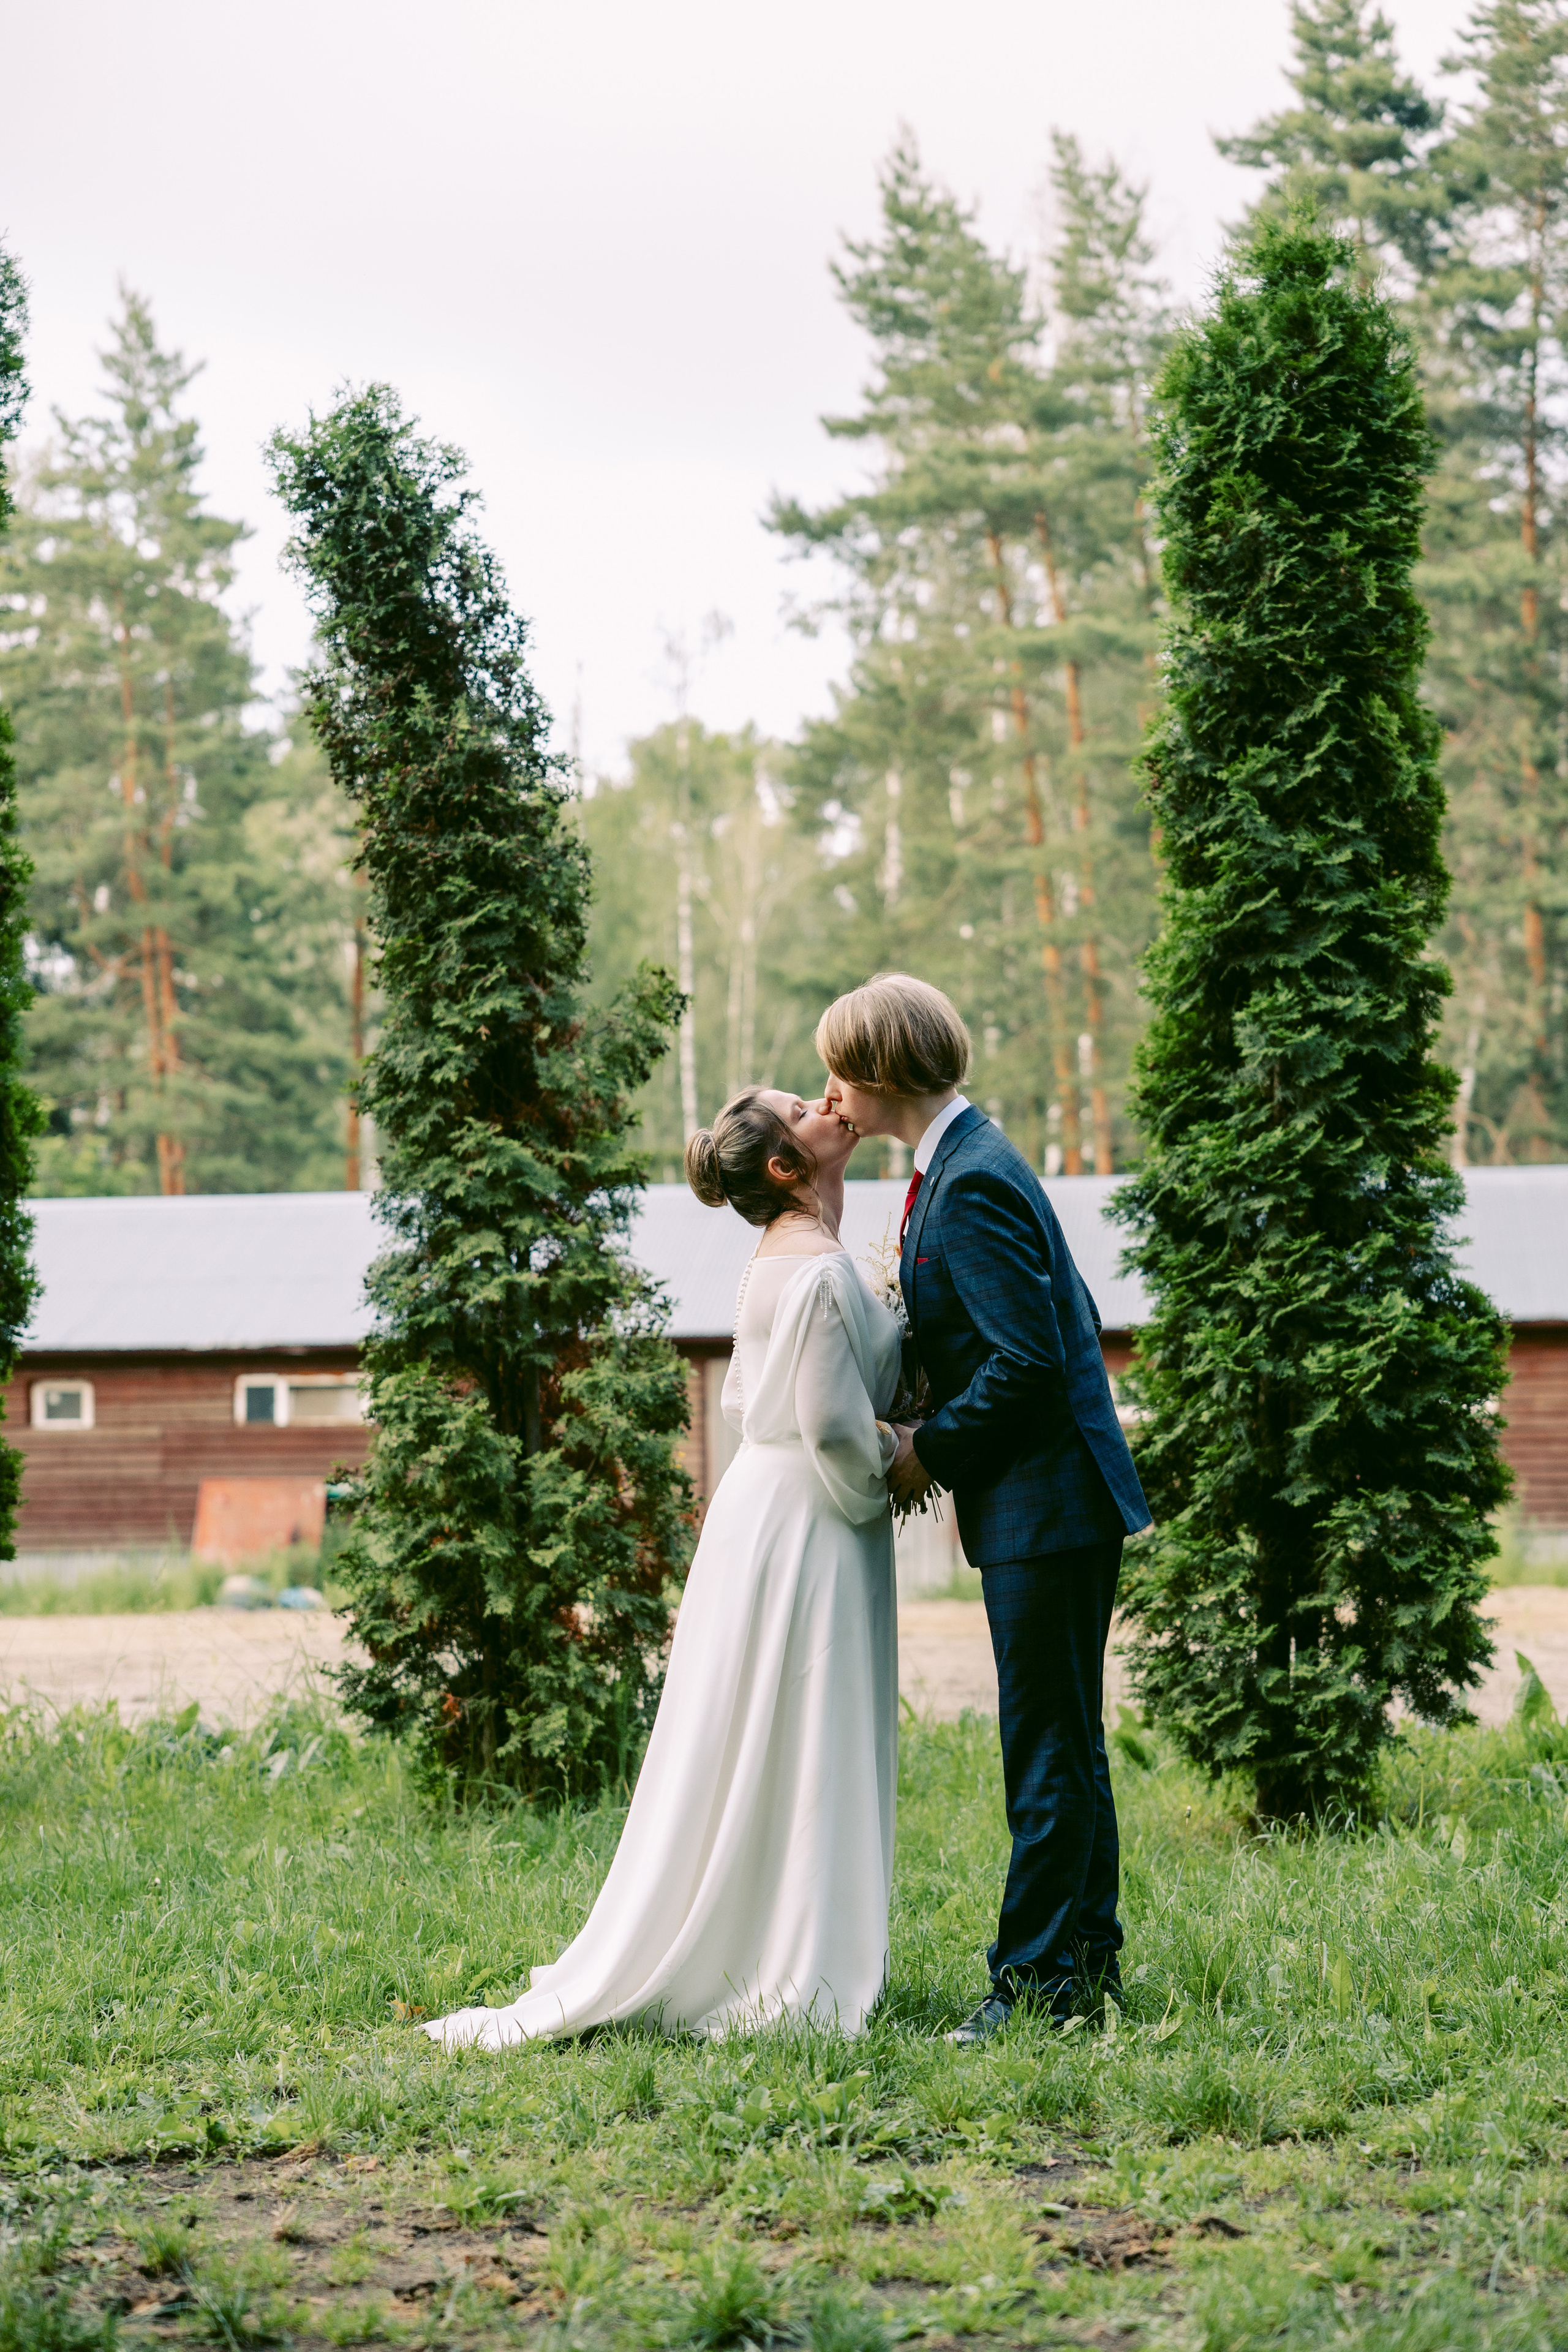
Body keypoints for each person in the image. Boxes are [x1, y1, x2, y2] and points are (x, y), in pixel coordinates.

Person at [422, 1087, 902, 2050]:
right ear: (783, 1167)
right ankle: (785, 1962)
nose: (826, 1104)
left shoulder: (785, 1257)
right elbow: (840, 1430)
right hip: (809, 1520)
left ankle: (766, 1930)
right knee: (801, 1728)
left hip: (767, 1510)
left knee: (774, 1734)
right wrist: (907, 1455)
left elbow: (743, 1408)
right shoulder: (808, 1270)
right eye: (804, 1107)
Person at [818, 974, 1151, 2046]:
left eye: (837, 1069)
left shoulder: (970, 1183)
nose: (828, 1091)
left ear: (879, 1074)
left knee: (1044, 1751)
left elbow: (1029, 1363)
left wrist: (929, 1453)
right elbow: (1046, 1322)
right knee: (1067, 1743)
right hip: (1051, 1500)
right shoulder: (956, 1165)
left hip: (1047, 1502)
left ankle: (1036, 1987)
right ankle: (1082, 1969)